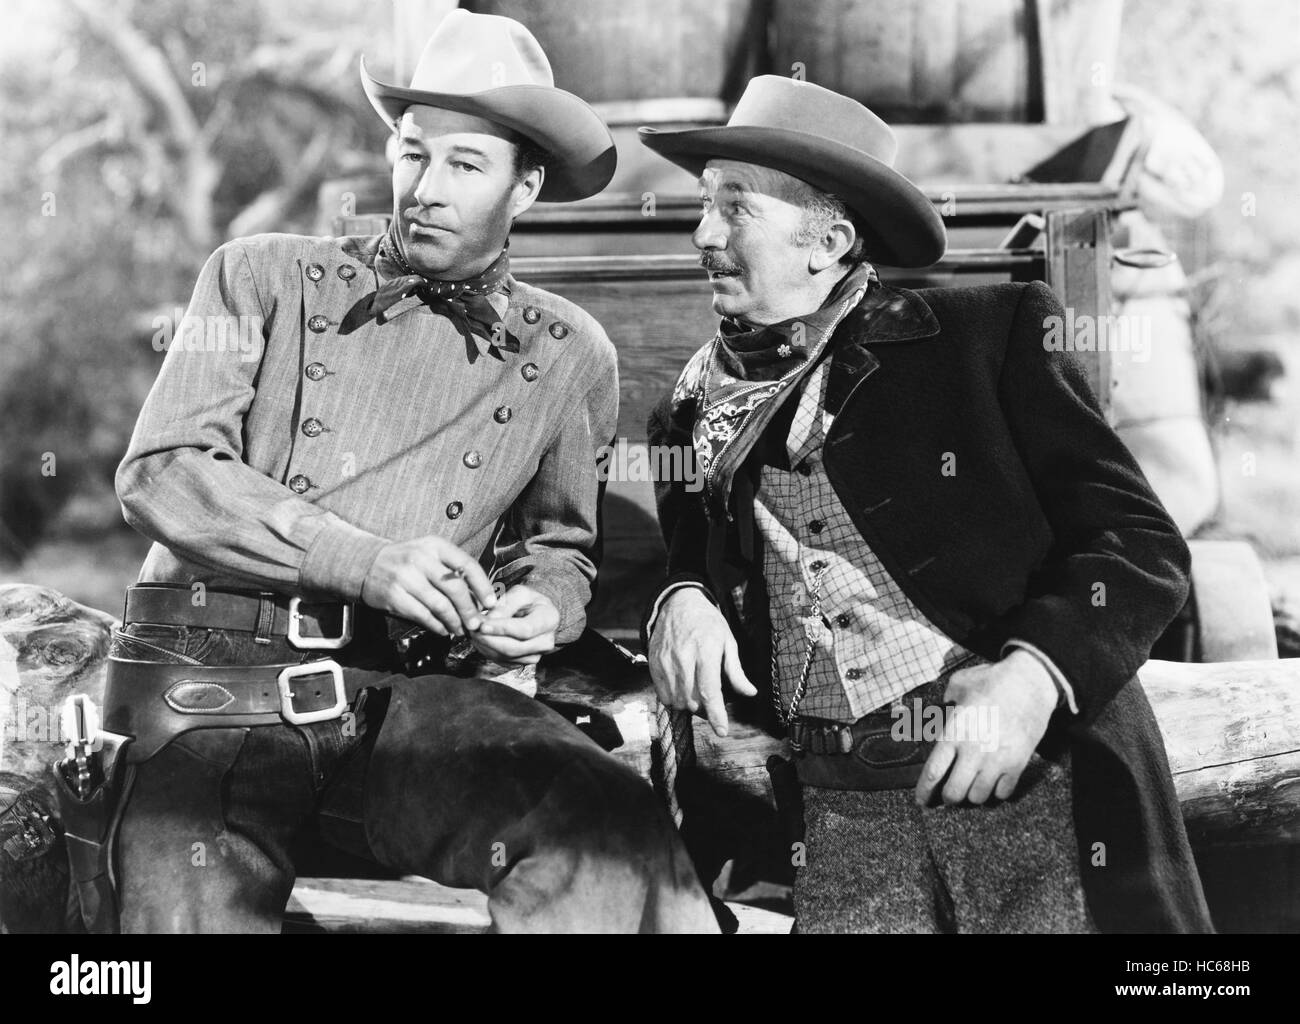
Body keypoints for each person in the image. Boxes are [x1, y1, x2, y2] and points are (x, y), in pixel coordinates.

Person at [87, 10, 715, 934]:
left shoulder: (569, 351)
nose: (424, 187)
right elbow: (164, 469)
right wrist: (362, 560)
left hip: (401, 701)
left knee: (602, 828)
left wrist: (541, 607)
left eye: (465, 164)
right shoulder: (260, 277)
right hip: (205, 684)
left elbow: (560, 549)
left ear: (526, 184)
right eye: (412, 152)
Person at [638, 75, 1213, 933]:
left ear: (826, 241)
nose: (703, 232)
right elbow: (694, 558)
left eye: (735, 207)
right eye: (703, 204)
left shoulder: (985, 337)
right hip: (841, 817)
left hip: (1025, 784)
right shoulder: (690, 406)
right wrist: (679, 599)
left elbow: (1139, 544)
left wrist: (1029, 679)